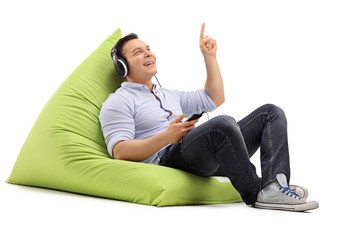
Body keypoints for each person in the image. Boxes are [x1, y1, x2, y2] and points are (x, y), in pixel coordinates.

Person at [99, 23, 319, 211]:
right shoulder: (118, 101)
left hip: (200, 153)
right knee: (222, 125)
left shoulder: (167, 94)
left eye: (148, 49)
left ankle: (275, 184)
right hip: (168, 159)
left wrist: (209, 57)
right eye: (137, 52)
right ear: (122, 66)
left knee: (270, 113)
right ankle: (256, 192)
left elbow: (214, 98)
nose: (148, 53)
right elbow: (120, 152)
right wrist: (167, 137)